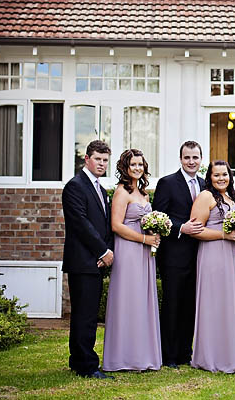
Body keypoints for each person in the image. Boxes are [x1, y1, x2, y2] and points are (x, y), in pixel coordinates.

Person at [102, 149, 162, 371]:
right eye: (133, 164)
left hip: (145, 251)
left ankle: (142, 354)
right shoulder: (122, 192)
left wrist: (155, 231)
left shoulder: (144, 193)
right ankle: (123, 357)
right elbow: (116, 226)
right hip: (128, 249)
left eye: (140, 164)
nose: (137, 168)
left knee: (142, 299)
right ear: (125, 168)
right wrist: (145, 239)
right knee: (128, 298)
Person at [62, 140, 115, 379]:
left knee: (89, 314)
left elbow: (105, 225)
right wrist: (103, 251)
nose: (102, 164)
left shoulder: (101, 190)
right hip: (82, 261)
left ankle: (79, 361)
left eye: (105, 160)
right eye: (97, 159)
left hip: (95, 261)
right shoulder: (75, 186)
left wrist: (107, 250)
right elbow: (80, 223)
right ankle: (86, 365)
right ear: (87, 159)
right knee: (84, 316)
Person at [189, 160, 235, 373]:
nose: (221, 178)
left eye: (225, 174)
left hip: (234, 255)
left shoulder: (231, 198)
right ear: (210, 178)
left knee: (232, 302)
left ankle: (232, 354)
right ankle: (212, 356)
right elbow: (196, 229)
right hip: (214, 255)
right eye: (217, 175)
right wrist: (225, 235)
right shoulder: (206, 197)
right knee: (215, 303)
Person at [152, 141, 205, 367]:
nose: (191, 162)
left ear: (201, 159)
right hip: (174, 255)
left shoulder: (204, 184)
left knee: (190, 305)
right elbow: (158, 216)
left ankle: (185, 352)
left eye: (195, 157)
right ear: (181, 159)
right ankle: (169, 355)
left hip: (199, 254)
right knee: (173, 304)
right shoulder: (167, 183)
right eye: (187, 158)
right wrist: (181, 227)